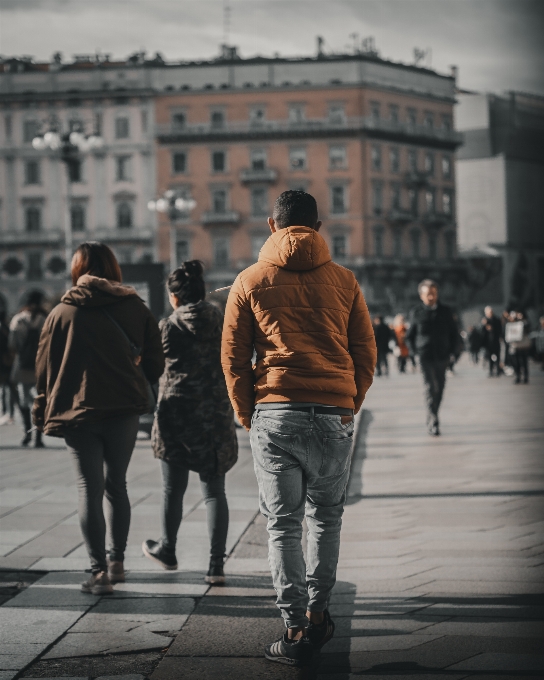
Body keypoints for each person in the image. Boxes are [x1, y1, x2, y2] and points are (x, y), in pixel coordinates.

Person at [221, 191, 376, 667]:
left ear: (272, 225)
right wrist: (347, 403)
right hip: (333, 413)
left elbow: (232, 358)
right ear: (319, 226)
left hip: (275, 411)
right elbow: (365, 353)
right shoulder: (345, 280)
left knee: (283, 524)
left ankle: (293, 628)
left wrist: (248, 414)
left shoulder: (248, 280)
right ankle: (320, 611)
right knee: (326, 518)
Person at [33, 242, 164, 595]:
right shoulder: (134, 307)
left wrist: (40, 408)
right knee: (116, 485)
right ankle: (118, 561)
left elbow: (43, 370)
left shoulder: (61, 312)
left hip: (77, 413)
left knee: (88, 490)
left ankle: (98, 572)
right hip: (121, 409)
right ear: (114, 268)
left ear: (77, 269)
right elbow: (156, 363)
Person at [143, 261, 238, 584]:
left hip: (176, 416)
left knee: (173, 489)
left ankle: (168, 550)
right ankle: (216, 566)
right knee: (214, 491)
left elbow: (153, 368)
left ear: (174, 296)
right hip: (215, 415)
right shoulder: (222, 321)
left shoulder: (167, 326)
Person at [406, 279, 458, 436]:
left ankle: (433, 413)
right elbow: (409, 337)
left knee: (440, 388)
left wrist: (455, 353)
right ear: (421, 296)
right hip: (424, 356)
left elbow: (454, 334)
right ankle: (433, 419)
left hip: (442, 355)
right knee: (430, 387)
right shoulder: (416, 313)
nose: (431, 297)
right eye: (428, 294)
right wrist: (413, 353)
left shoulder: (446, 311)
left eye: (433, 293)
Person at [9, 291, 48, 446]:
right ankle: (38, 437)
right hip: (39, 366)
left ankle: (27, 434)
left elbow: (11, 345)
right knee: (40, 400)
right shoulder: (43, 320)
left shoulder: (18, 320)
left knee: (23, 400)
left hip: (21, 365)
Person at [0, 307, 16, 426]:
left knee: (6, 389)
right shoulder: (6, 328)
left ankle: (7, 412)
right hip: (8, 362)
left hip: (3, 363)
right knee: (9, 388)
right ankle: (9, 413)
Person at [505, 310, 531, 384]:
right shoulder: (510, 324)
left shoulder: (523, 323)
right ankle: (518, 376)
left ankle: (525, 377)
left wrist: (521, 319)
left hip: (523, 346)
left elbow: (528, 327)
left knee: (524, 362)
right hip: (515, 346)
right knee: (516, 363)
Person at [481, 306, 503, 377]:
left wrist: (492, 329)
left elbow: (500, 330)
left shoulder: (497, 319)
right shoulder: (485, 320)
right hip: (488, 342)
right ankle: (490, 371)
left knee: (497, 357)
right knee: (489, 357)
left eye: (490, 312)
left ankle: (498, 370)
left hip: (496, 341)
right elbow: (482, 332)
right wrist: (483, 325)